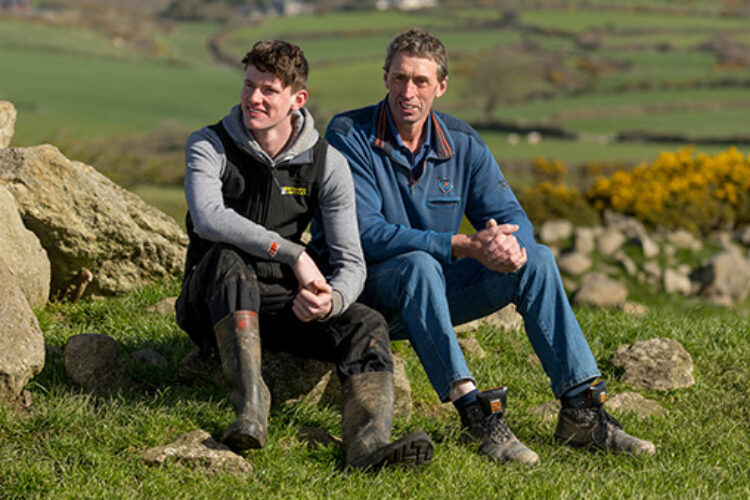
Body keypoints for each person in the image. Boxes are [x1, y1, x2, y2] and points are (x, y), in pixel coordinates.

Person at [318, 28, 655, 465]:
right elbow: (364, 232)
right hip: (367, 293)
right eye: (400, 78)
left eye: (421, 81)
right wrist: (460, 244)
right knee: (418, 264)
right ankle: (475, 413)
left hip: (434, 294)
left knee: (536, 258)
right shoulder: (349, 134)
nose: (408, 91)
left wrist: (508, 248)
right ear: (385, 78)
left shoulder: (463, 143)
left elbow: (514, 218)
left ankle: (583, 411)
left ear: (441, 86)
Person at [175, 40, 433, 470]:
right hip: (211, 300)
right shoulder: (209, 144)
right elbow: (209, 219)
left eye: (268, 90)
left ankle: (367, 447)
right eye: (249, 85)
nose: (253, 98)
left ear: (297, 99)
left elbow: (351, 262)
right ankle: (252, 408)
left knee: (365, 321)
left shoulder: (326, 164)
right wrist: (292, 253)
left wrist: (330, 300)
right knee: (227, 259)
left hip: (275, 303)